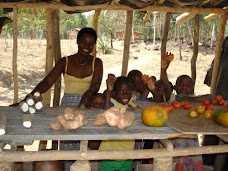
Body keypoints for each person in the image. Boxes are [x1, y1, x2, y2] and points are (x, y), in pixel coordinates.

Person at [11, 27, 103, 109]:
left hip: (87, 103)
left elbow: (96, 84)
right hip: (67, 104)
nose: (87, 46)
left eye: (91, 43)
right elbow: (47, 82)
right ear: (77, 42)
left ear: (94, 45)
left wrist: (89, 92)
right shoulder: (65, 61)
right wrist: (29, 96)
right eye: (83, 42)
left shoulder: (97, 63)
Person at [99, 76, 136, 171]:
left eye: (128, 92)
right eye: (121, 92)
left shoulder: (132, 103)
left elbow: (147, 103)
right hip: (110, 153)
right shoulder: (111, 103)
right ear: (114, 93)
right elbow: (107, 111)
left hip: (127, 153)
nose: (125, 95)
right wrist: (108, 91)